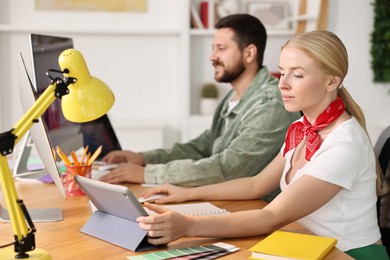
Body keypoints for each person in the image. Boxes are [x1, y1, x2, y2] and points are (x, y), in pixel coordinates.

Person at [135, 30, 389, 258]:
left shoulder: (345, 144)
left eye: (297, 74)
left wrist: (188, 225)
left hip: (346, 254)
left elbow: (271, 217)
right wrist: (186, 192)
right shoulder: (300, 128)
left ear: (332, 82)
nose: (282, 83)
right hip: (305, 247)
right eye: (283, 71)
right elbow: (256, 184)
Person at [101, 14, 300, 196]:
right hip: (231, 200)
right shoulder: (233, 97)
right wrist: (143, 158)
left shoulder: (270, 104)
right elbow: (201, 148)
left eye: (221, 49)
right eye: (213, 48)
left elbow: (229, 168)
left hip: (257, 210)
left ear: (249, 53)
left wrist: (148, 173)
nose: (212, 57)